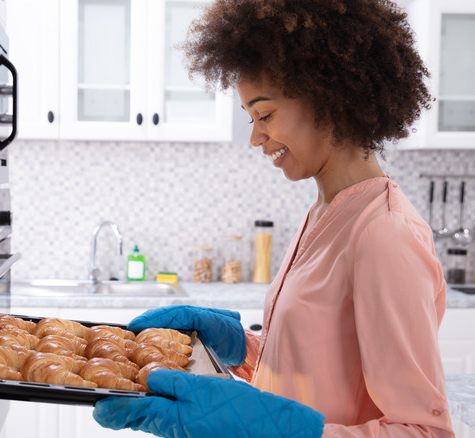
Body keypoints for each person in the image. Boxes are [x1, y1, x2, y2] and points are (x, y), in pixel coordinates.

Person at [93, 0, 453, 436]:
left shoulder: (385, 234)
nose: (254, 137)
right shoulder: (323, 213)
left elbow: (425, 430)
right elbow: (319, 369)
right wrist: (240, 349)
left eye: (264, 114)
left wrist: (278, 430)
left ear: (334, 99)